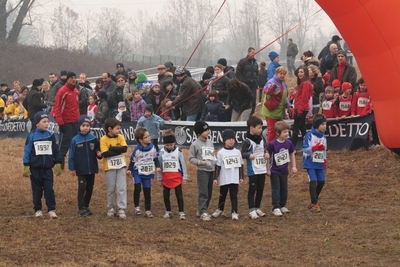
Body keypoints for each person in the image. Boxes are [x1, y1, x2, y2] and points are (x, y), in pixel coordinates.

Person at [22, 111, 62, 218]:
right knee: (37, 189)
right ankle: (38, 209)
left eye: (47, 122)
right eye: (43, 122)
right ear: (37, 124)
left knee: (49, 189)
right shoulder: (32, 136)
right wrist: (26, 164)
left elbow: (56, 150)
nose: (46, 124)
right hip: (35, 169)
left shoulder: (51, 135)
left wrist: (58, 162)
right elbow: (27, 150)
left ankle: (51, 209)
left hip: (48, 168)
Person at [68, 115, 102, 217]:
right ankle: (81, 208)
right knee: (82, 187)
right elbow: (71, 154)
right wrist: (72, 168)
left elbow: (97, 149)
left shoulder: (93, 138)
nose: (85, 127)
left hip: (91, 168)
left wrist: (98, 153)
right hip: (81, 169)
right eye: (83, 125)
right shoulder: (75, 140)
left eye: (87, 125)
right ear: (79, 126)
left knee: (90, 188)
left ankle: (86, 206)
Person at [127, 127, 161, 218]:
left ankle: (148, 209)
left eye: (149, 136)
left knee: (147, 190)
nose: (149, 138)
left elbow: (155, 158)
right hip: (137, 171)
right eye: (146, 137)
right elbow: (132, 161)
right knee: (137, 188)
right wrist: (129, 169)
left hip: (147, 173)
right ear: (140, 140)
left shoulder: (153, 148)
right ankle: (137, 207)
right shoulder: (137, 150)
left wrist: (158, 166)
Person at [266, 121, 297, 216]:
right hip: (275, 171)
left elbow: (292, 154)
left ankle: (282, 205)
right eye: (284, 132)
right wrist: (268, 169)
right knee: (276, 188)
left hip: (284, 170)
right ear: (278, 133)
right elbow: (268, 157)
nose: (287, 134)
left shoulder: (289, 143)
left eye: (287, 131)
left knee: (284, 188)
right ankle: (276, 207)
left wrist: (294, 166)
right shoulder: (272, 144)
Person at [240, 116, 269, 219]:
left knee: (260, 189)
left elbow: (265, 148)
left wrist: (266, 153)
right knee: (253, 189)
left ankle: (257, 207)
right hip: (253, 170)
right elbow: (242, 153)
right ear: (251, 128)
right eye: (259, 128)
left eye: (261, 128)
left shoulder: (262, 139)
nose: (261, 130)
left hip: (262, 168)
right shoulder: (248, 141)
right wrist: (249, 155)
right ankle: (251, 209)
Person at [211, 129, 243, 220]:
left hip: (234, 178)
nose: (231, 140)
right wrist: (215, 178)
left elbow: (240, 165)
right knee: (222, 194)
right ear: (224, 140)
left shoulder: (237, 152)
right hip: (224, 178)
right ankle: (220, 209)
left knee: (234, 195)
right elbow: (218, 166)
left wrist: (241, 177)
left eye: (233, 138)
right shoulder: (221, 153)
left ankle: (234, 212)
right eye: (229, 139)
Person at [100, 118, 128, 218]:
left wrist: (111, 148)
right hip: (109, 167)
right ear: (110, 129)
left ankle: (121, 208)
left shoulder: (120, 137)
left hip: (121, 166)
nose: (119, 131)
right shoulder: (103, 139)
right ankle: (111, 207)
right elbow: (105, 154)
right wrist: (117, 150)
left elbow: (124, 149)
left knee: (121, 188)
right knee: (111, 188)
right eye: (117, 129)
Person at [158, 129, 188, 220]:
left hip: (176, 177)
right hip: (166, 178)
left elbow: (183, 164)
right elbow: (160, 166)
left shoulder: (178, 151)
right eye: (167, 145)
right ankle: (168, 211)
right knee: (166, 195)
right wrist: (160, 178)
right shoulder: (161, 152)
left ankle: (181, 212)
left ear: (174, 143)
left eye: (171, 144)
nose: (169, 146)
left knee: (179, 194)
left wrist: (185, 177)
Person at [189, 121, 216, 221]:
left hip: (211, 170)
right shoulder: (195, 144)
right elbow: (191, 158)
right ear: (199, 133)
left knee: (209, 192)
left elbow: (212, 155)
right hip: (202, 171)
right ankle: (203, 212)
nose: (208, 132)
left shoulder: (210, 142)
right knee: (203, 191)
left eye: (208, 130)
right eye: (205, 130)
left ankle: (202, 209)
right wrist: (201, 162)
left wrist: (214, 161)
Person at [53, 71, 80, 170]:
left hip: (75, 122)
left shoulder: (76, 91)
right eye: (71, 78)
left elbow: (77, 107)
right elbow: (57, 108)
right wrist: (60, 123)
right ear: (67, 79)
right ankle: (59, 166)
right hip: (66, 122)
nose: (73, 79)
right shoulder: (62, 91)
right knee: (64, 145)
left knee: (77, 145)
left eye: (74, 77)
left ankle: (75, 166)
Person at [302, 114, 327, 212]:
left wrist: (325, 161)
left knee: (321, 181)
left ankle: (314, 199)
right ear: (317, 125)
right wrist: (314, 148)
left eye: (325, 124)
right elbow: (305, 149)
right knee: (313, 181)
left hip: (319, 162)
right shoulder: (309, 136)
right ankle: (315, 203)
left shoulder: (324, 137)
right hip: (310, 162)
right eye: (322, 124)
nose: (324, 126)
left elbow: (324, 150)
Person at [262, 66, 290, 143]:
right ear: (276, 73)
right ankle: (270, 147)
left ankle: (278, 145)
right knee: (272, 130)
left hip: (279, 112)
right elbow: (267, 91)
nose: (282, 75)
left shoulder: (284, 84)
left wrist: (289, 105)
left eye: (284, 74)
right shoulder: (271, 82)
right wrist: (272, 88)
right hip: (271, 112)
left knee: (279, 130)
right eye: (280, 73)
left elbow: (285, 96)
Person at [291, 67, 314, 147]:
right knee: (302, 128)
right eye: (299, 72)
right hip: (301, 108)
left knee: (296, 129)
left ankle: (292, 148)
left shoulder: (305, 83)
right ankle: (307, 145)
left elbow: (304, 98)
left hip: (301, 109)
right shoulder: (303, 83)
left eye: (301, 72)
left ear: (305, 73)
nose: (299, 74)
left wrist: (300, 110)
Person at [236, 47, 259, 115]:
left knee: (253, 98)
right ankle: (243, 112)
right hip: (245, 84)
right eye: (252, 53)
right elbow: (238, 73)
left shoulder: (255, 63)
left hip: (253, 84)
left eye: (254, 53)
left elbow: (257, 73)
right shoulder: (242, 61)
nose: (253, 54)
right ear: (248, 52)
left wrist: (256, 81)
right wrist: (242, 82)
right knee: (245, 98)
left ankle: (251, 112)